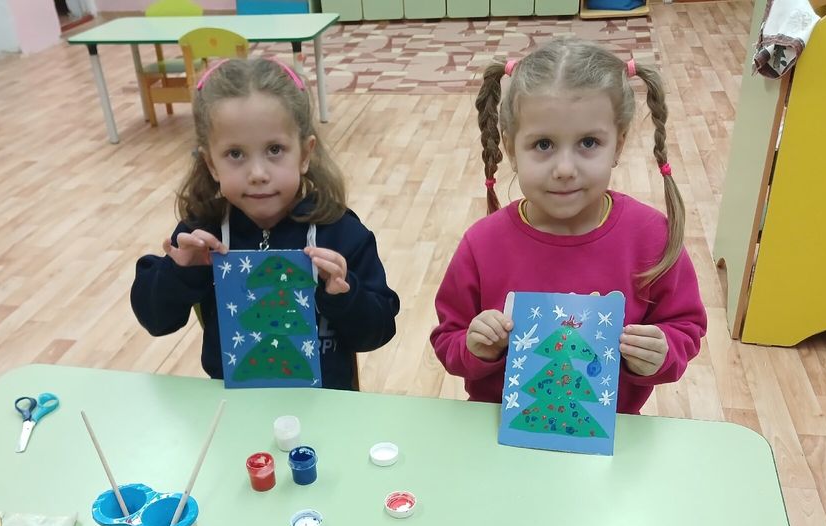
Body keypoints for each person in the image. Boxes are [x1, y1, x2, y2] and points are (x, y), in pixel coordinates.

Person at [431, 38, 706, 414]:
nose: (564, 169)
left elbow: (685, 326)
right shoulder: (482, 244)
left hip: (611, 435)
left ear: (618, 145)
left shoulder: (651, 238)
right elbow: (448, 339)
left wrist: (662, 351)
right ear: (511, 149)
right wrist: (475, 347)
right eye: (543, 144)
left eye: (588, 143)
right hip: (496, 435)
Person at [132, 58, 399, 390]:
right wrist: (178, 274)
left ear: (305, 154)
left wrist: (345, 295)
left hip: (326, 405)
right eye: (235, 154)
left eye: (274, 150)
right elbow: (156, 321)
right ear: (211, 164)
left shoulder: (341, 232)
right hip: (232, 407)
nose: (258, 174)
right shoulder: (201, 235)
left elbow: (379, 331)